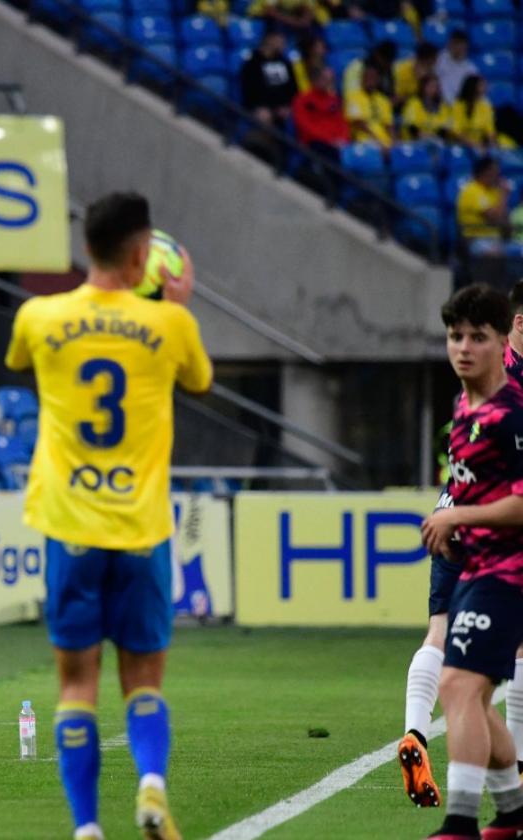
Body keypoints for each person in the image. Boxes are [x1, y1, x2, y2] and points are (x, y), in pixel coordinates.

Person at [4, 192, 211, 840]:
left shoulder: (39, 316)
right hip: (142, 530)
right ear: (142, 253)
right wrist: (172, 308)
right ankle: (150, 787)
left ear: (84, 247)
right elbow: (199, 382)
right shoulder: (170, 327)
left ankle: (87, 828)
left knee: (75, 683)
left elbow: (17, 362)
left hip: (70, 527)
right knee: (143, 679)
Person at [420, 284, 523, 840]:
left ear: (502, 341)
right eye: (455, 336)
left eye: (477, 337)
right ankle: (511, 813)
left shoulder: (512, 416)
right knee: (471, 694)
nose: (463, 348)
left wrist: (455, 518)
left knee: (459, 685)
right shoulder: (465, 409)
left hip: (512, 575)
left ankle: (459, 823)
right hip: (479, 569)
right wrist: (458, 529)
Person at [240, 30, 297, 131]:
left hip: (283, 106)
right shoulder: (253, 62)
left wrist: (287, 105)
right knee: (263, 116)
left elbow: (292, 87)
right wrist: (263, 107)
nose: (284, 44)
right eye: (280, 40)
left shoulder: (285, 63)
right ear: (270, 40)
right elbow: (250, 89)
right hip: (261, 106)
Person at [292, 65, 350, 161]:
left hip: (337, 143)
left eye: (330, 79)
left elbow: (342, 122)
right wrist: (329, 140)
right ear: (315, 79)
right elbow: (305, 126)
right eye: (325, 79)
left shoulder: (333, 99)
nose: (328, 82)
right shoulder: (302, 99)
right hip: (314, 142)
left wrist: (343, 139)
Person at [457, 157, 509, 242]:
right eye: (495, 172)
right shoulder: (471, 190)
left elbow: (504, 219)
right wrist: (504, 194)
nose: (498, 176)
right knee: (496, 252)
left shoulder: (494, 191)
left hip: (496, 239)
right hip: (475, 239)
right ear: (485, 172)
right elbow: (494, 218)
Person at [345, 63, 394, 150]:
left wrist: (394, 141)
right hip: (364, 139)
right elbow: (357, 123)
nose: (369, 80)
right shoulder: (353, 97)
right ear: (361, 79)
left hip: (384, 140)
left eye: (373, 78)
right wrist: (377, 139)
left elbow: (389, 125)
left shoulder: (383, 100)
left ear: (378, 80)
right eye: (367, 77)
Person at [401, 73, 453, 142]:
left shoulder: (443, 106)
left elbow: (445, 128)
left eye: (435, 86)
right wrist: (423, 135)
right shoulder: (414, 103)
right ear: (423, 87)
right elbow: (411, 126)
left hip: (436, 141)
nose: (433, 89)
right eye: (430, 86)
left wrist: (433, 136)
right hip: (415, 141)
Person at [452, 74, 497, 151]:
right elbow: (456, 131)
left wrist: (493, 145)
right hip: (461, 144)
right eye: (482, 85)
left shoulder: (486, 107)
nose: (485, 88)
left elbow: (490, 131)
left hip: (479, 144)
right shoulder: (458, 106)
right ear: (473, 87)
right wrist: (474, 144)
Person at [394, 42, 440, 108]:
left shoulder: (431, 74)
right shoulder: (401, 70)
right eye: (434, 60)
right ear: (427, 60)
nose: (435, 62)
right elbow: (396, 99)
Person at [437, 30, 476, 104]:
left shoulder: (471, 70)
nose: (456, 47)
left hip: (459, 107)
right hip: (438, 105)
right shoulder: (438, 59)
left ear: (465, 46)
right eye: (454, 43)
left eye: (459, 44)